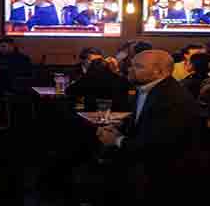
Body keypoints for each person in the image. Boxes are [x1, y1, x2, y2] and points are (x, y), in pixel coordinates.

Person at [96, 50, 201, 205]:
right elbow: (143, 121)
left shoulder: (172, 98)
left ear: (158, 71)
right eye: (131, 65)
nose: (129, 69)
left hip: (163, 175)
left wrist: (116, 140)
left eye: (137, 66)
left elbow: (157, 145)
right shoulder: (147, 87)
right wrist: (120, 126)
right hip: (147, 166)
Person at [66, 58, 131, 112]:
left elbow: (68, 91)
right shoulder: (121, 79)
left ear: (90, 68)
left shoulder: (87, 79)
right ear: (108, 67)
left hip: (92, 115)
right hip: (118, 114)